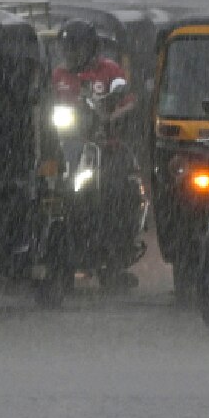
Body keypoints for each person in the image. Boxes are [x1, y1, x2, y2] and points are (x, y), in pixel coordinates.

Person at [50, 18, 141, 289]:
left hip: (106, 149)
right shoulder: (58, 77)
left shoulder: (110, 71)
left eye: (76, 48)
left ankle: (114, 259)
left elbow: (128, 102)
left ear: (90, 48)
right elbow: (48, 105)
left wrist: (111, 118)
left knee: (116, 192)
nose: (71, 54)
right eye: (67, 48)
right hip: (69, 147)